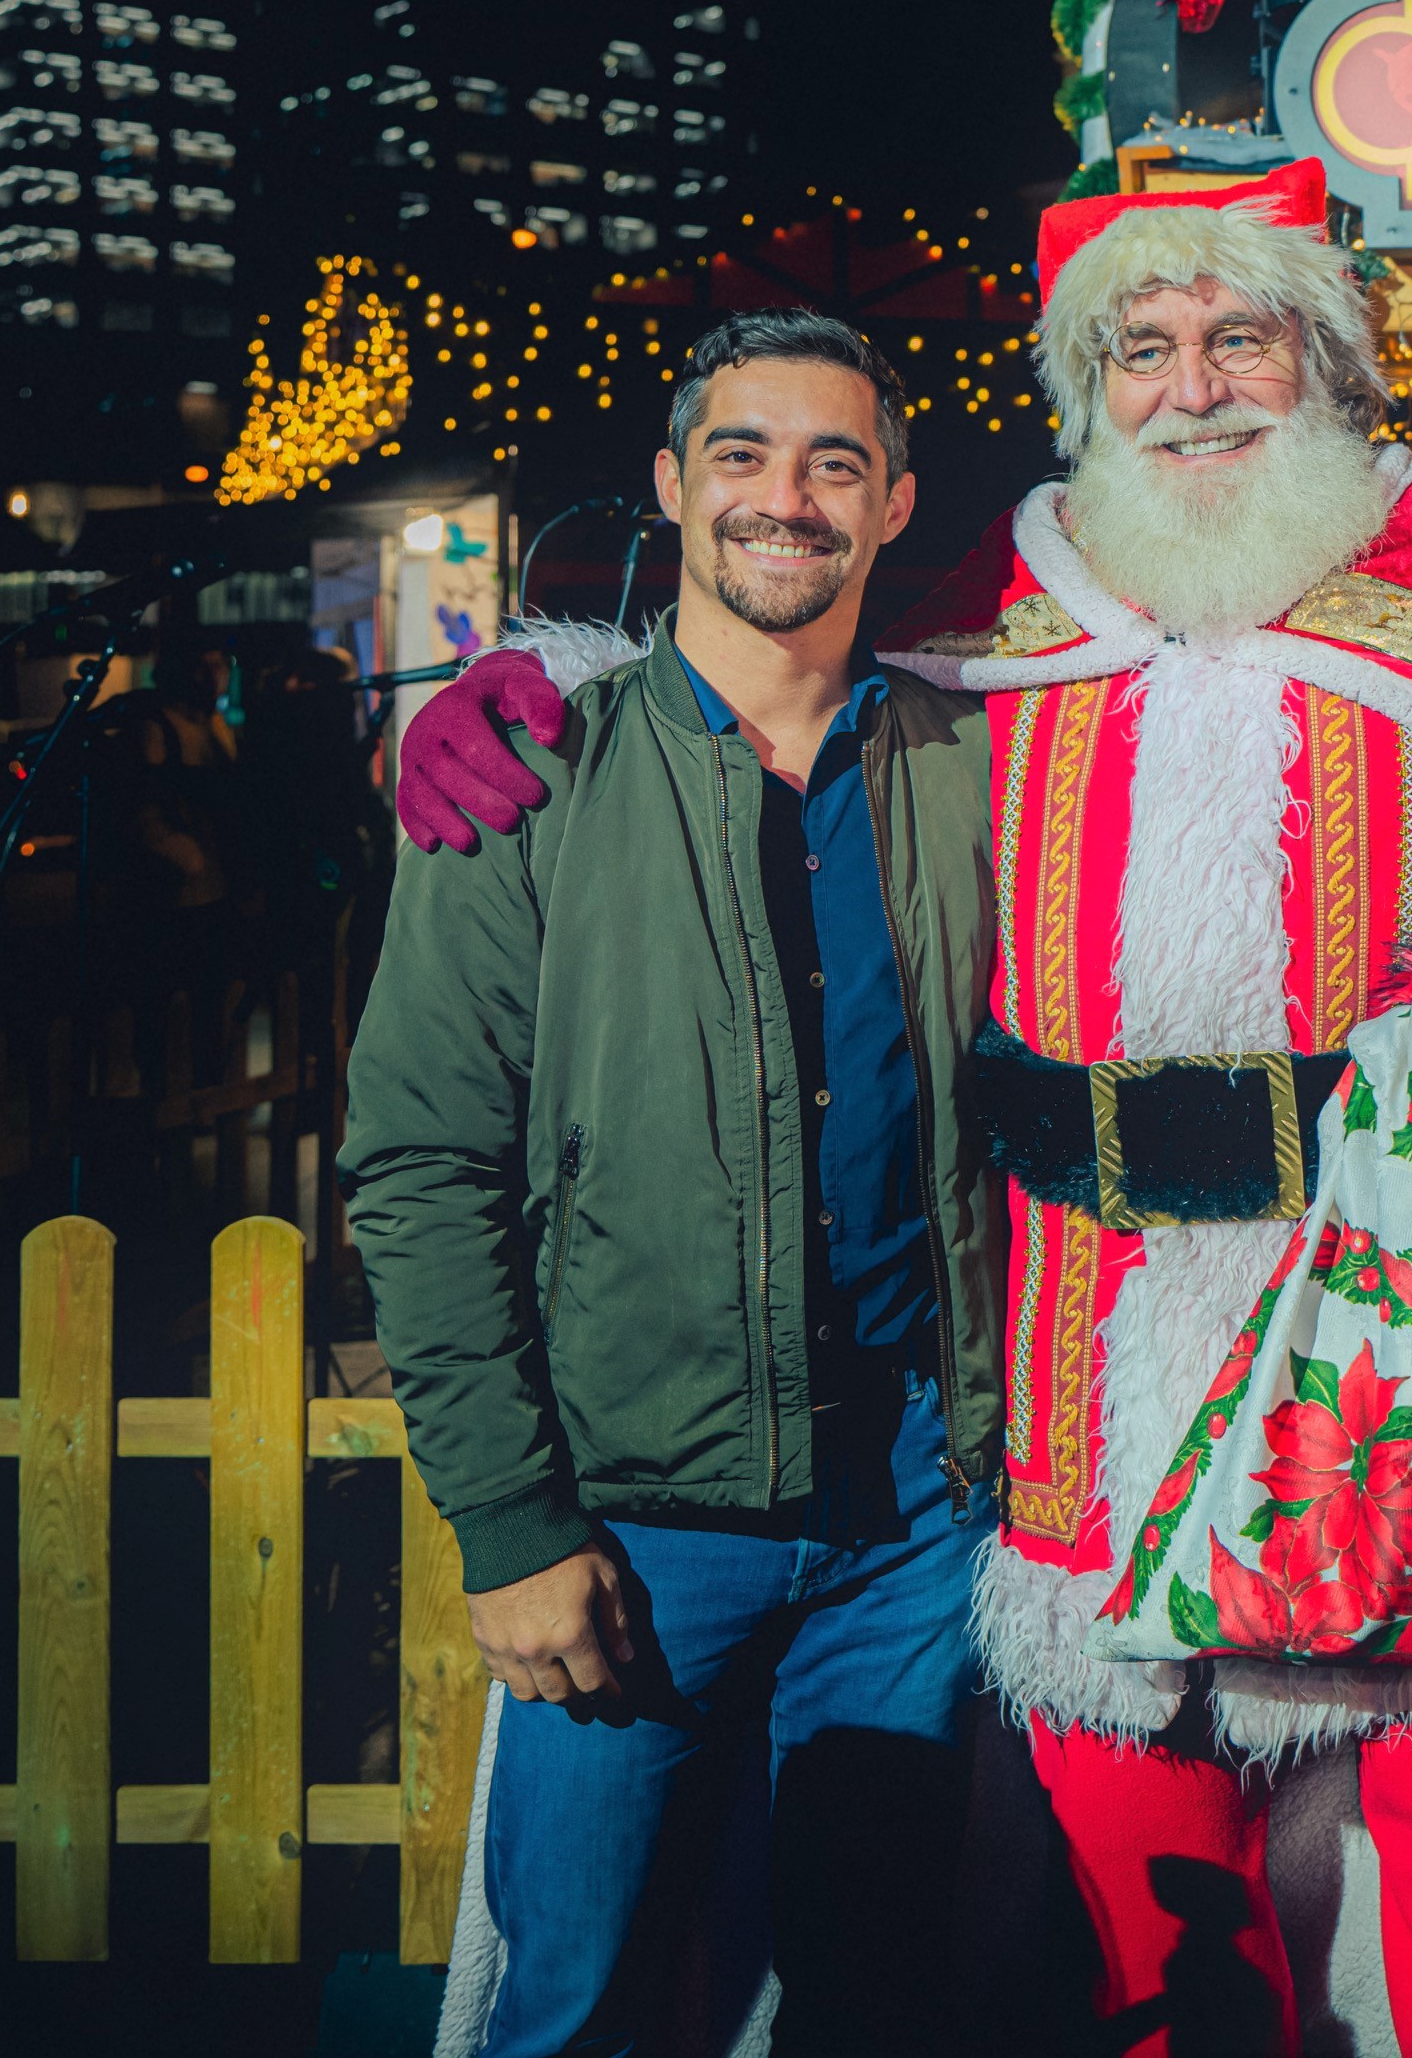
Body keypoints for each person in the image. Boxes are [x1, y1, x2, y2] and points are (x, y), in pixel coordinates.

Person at [398, 165, 1412, 2057]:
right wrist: (527, 691)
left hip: (1402, 1332)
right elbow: (767, 675)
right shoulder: (1011, 591)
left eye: (1239, 336)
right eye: (1144, 348)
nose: (1192, 387)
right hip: (1082, 1357)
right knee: (1152, 1922)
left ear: (1325, 356)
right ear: (1089, 384)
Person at [342, 309, 1006, 2057]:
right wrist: (513, 1526)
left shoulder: (975, 773)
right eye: (742, 454)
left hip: (914, 1525)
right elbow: (420, 1168)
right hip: (633, 1524)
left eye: (835, 463)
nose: (786, 498)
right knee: (583, 2006)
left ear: (893, 505)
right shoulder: (532, 775)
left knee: (876, 2005)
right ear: (670, 483)